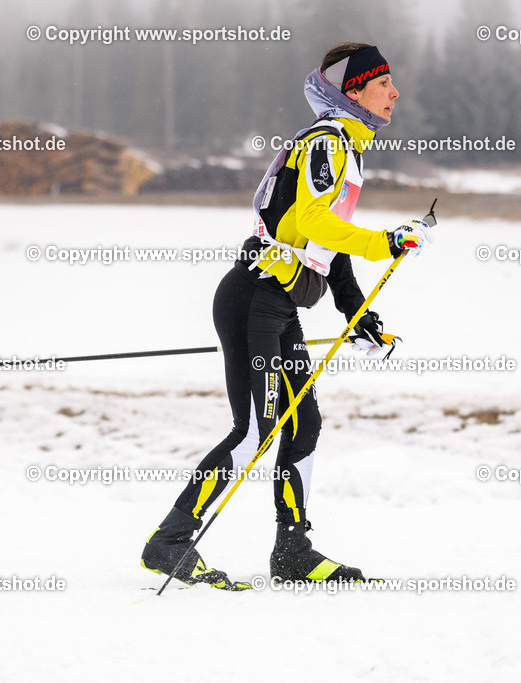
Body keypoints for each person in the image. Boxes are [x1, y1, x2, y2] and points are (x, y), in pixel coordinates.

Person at [141, 42, 433, 590]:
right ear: (354, 91)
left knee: (303, 422)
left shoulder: (345, 147)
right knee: (254, 431)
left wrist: (358, 314)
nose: (395, 93)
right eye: (383, 83)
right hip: (255, 296)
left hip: (280, 302)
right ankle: (170, 541)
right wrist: (385, 242)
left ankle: (292, 550)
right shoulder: (328, 141)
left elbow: (326, 247)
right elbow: (313, 220)